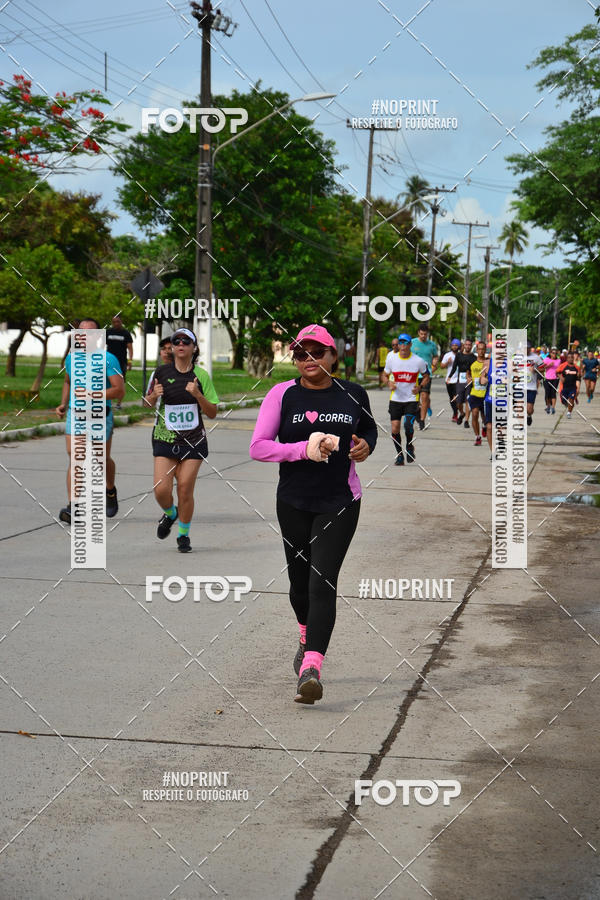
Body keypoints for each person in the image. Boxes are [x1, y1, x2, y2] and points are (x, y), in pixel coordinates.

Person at [249, 324, 377, 704]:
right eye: (301, 353)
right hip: (293, 501)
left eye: (316, 352)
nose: (308, 359)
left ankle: (312, 667)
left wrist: (365, 446)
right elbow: (258, 447)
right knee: (300, 584)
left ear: (332, 356)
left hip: (340, 500)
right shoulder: (282, 394)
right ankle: (305, 633)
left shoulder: (353, 394)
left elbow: (368, 430)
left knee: (323, 582)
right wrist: (303, 449)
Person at [144, 327, 218, 552]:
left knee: (185, 487)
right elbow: (145, 404)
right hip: (165, 439)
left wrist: (198, 395)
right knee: (161, 489)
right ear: (173, 347)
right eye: (177, 341)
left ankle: (183, 535)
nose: (181, 344)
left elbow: (212, 412)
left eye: (187, 341)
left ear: (194, 348)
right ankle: (170, 513)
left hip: (193, 441)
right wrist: (153, 396)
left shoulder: (201, 375)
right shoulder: (160, 372)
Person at [55, 317, 125, 523]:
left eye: (90, 333)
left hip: (100, 415)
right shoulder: (71, 358)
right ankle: (74, 507)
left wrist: (93, 395)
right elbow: (68, 381)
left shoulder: (108, 359)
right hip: (75, 414)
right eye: (81, 333)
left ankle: (110, 490)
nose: (85, 337)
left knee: (101, 459)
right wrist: (63, 403)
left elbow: (119, 390)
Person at [384, 333, 429, 465]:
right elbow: (384, 375)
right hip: (396, 398)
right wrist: (388, 383)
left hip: (411, 398)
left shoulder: (418, 361)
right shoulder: (392, 359)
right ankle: (399, 455)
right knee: (395, 428)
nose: (403, 345)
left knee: (408, 424)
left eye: (405, 343)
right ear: (398, 345)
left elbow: (426, 376)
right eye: (401, 343)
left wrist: (420, 386)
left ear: (410, 345)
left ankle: (409, 446)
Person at [411, 324, 439, 427]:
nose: (423, 336)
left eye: (425, 334)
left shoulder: (431, 345)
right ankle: (417, 413)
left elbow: (435, 356)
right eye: (421, 334)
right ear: (418, 333)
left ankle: (422, 420)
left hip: (426, 374)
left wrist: (435, 362)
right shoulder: (412, 343)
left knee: (425, 396)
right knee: (415, 398)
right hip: (414, 375)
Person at [105, 315, 133, 407]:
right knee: (107, 381)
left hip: (121, 362)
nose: (116, 323)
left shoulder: (126, 333)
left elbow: (130, 348)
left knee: (121, 382)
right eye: (114, 322)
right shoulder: (108, 332)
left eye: (118, 321)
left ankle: (118, 403)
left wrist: (130, 361)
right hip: (108, 362)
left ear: (121, 322)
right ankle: (107, 402)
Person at [449, 338, 476, 428]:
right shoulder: (459, 355)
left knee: (468, 400)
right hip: (460, 380)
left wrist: (472, 378)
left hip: (469, 381)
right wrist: (449, 376)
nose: (468, 346)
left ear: (471, 346)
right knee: (458, 401)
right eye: (466, 344)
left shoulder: (473, 357)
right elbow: (454, 367)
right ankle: (462, 413)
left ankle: (466, 420)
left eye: (469, 345)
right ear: (463, 345)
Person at [466, 340, 488, 446]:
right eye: (479, 349)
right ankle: (477, 437)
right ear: (477, 350)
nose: (481, 351)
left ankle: (484, 426)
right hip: (474, 393)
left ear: (485, 350)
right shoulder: (472, 362)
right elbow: (467, 373)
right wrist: (468, 378)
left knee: (484, 416)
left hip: (486, 394)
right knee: (474, 413)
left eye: (483, 349)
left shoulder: (488, 362)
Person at [439, 338, 461, 421]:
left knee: (456, 397)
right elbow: (441, 366)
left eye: (456, 345)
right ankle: (455, 413)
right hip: (449, 380)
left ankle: (457, 412)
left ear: (459, 346)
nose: (454, 347)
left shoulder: (461, 355)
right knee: (451, 398)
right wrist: (447, 362)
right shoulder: (447, 355)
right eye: (453, 345)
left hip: (458, 380)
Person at [525, 341, 544, 426]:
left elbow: (543, 368)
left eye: (528, 348)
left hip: (531, 387)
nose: (526, 349)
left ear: (530, 348)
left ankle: (529, 415)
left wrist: (535, 370)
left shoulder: (536, 357)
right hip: (519, 386)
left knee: (529, 409)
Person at [558, 351, 580, 418]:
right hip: (564, 388)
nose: (570, 359)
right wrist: (561, 377)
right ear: (567, 359)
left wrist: (579, 376)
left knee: (571, 399)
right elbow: (557, 372)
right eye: (569, 357)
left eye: (572, 357)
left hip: (573, 387)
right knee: (563, 401)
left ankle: (569, 413)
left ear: (573, 358)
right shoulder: (563, 366)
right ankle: (567, 404)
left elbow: (579, 376)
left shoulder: (576, 367)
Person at [540, 347, 560, 414]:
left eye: (555, 353)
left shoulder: (558, 361)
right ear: (550, 353)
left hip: (555, 379)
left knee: (553, 393)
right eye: (553, 353)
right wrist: (548, 365)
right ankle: (548, 406)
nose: (554, 354)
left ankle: (553, 407)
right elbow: (541, 368)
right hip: (547, 378)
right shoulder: (546, 359)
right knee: (547, 393)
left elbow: (560, 369)